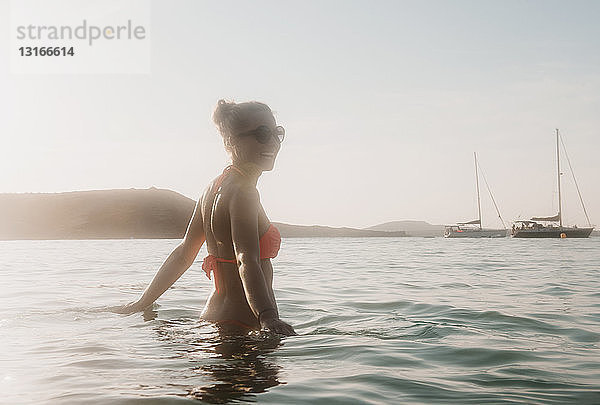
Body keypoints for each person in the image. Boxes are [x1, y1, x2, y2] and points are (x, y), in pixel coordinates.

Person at [115, 99, 296, 336]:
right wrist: (268, 317)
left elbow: (183, 254)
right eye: (262, 134)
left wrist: (142, 303)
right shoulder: (244, 192)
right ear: (231, 141)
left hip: (213, 320)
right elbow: (246, 260)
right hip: (243, 325)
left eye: (277, 133)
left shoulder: (213, 188)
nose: (272, 142)